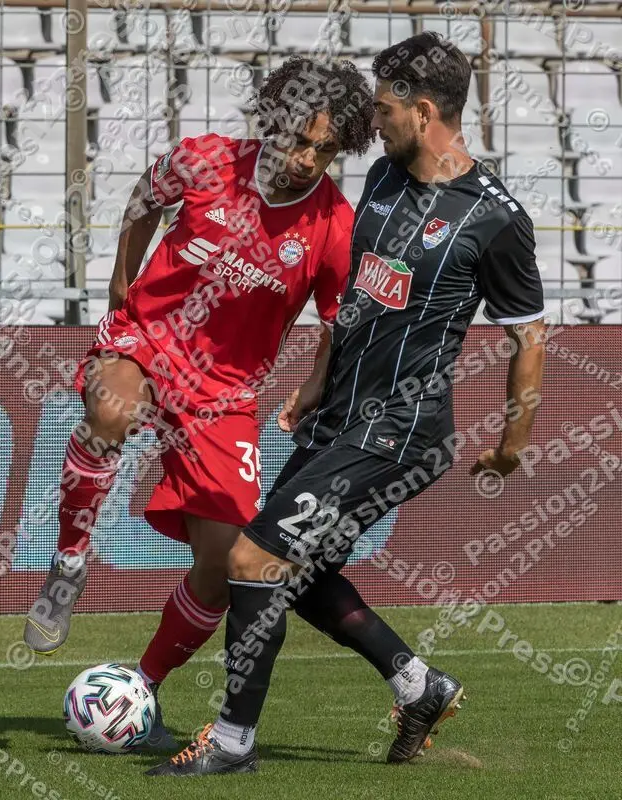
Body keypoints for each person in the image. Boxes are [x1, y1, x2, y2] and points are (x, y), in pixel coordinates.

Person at [148, 32, 547, 776]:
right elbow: (357, 301)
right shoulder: (386, 180)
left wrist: (513, 441)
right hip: (342, 416)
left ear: (424, 112)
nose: (374, 120)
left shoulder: (494, 216)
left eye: (387, 107)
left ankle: (233, 742)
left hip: (398, 430)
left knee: (254, 555)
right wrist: (315, 379)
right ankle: (419, 684)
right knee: (296, 577)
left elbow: (530, 337)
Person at [23, 56, 441, 749]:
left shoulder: (336, 225)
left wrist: (314, 384)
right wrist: (121, 292)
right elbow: (141, 201)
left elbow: (339, 324)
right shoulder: (204, 160)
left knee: (224, 569)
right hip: (150, 341)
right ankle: (69, 563)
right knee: (110, 411)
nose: (307, 158)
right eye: (297, 139)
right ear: (271, 123)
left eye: (325, 148)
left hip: (223, 395)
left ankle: (142, 689)